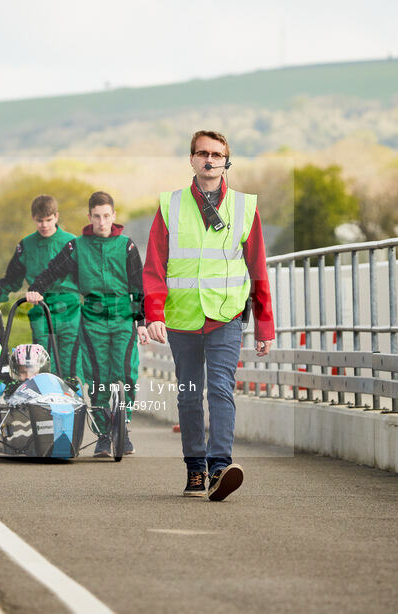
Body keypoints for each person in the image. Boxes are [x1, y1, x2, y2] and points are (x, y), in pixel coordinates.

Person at [143, 129, 275, 501]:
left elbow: (258, 267)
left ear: (225, 161)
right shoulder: (170, 205)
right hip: (182, 317)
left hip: (226, 314)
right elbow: (154, 266)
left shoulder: (245, 207)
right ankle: (195, 469)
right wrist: (153, 313)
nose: (209, 159)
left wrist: (265, 324)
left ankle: (220, 467)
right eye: (202, 153)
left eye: (216, 154)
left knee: (219, 389)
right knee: (188, 395)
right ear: (192, 160)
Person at [27, 191, 148, 458]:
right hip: (92, 318)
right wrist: (36, 288)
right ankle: (104, 435)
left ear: (113, 216)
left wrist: (141, 322)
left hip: (122, 318)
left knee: (126, 373)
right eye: (97, 216)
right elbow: (51, 270)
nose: (102, 222)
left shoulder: (127, 246)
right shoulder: (76, 246)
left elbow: (138, 287)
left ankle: (122, 428)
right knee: (97, 378)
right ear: (89, 217)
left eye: (106, 216)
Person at [0, 195, 83, 380]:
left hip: (69, 307)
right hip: (40, 306)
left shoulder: (72, 243)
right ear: (33, 218)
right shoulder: (26, 245)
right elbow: (12, 279)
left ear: (56, 217)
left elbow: (87, 278)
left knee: (71, 357)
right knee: (40, 357)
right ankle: (44, 399)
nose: (44, 225)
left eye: (48, 220)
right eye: (40, 221)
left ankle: (74, 397)